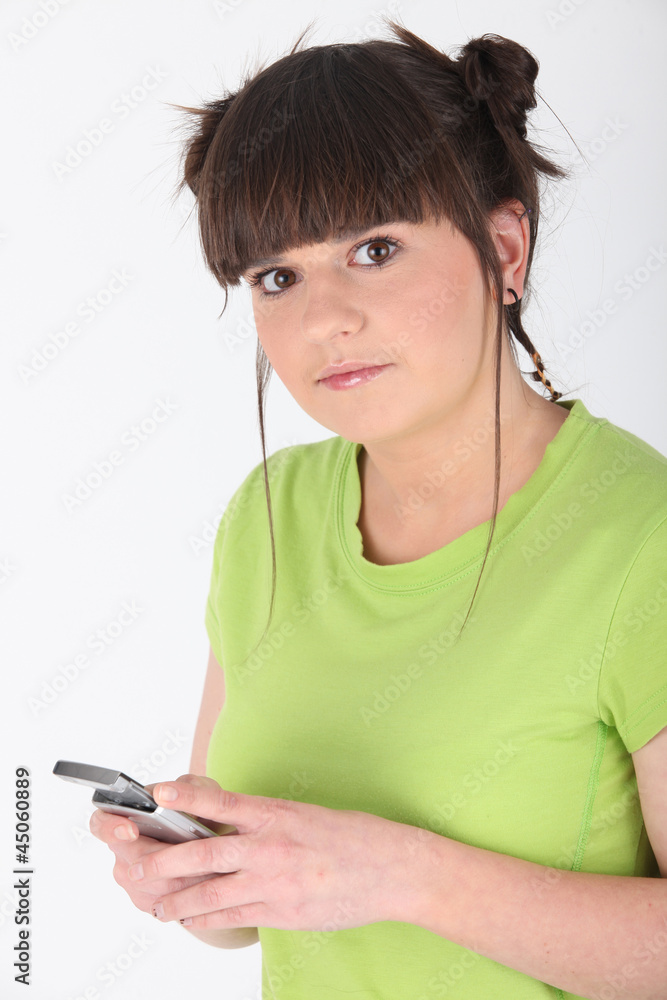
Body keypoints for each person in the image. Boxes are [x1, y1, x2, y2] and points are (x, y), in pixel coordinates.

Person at [90, 18, 667, 1000]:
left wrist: (399, 874)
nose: (324, 318)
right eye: (278, 276)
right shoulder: (269, 514)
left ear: (503, 247)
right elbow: (246, 922)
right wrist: (192, 870)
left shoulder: (640, 539)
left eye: (375, 248)